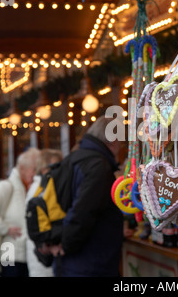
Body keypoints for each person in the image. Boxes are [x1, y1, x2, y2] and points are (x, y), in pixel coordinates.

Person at [48, 116, 124, 277]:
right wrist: (66, 245)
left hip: (72, 262)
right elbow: (83, 212)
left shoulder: (73, 158)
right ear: (113, 141)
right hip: (90, 263)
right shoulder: (98, 166)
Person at [0, 147, 40, 277]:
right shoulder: (7, 186)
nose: (36, 174)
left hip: (25, 252)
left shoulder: (28, 187)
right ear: (22, 169)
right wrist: (4, 228)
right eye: (34, 170)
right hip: (8, 248)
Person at [25, 148, 63, 277]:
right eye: (54, 166)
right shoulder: (42, 189)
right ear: (43, 168)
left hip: (43, 251)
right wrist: (48, 244)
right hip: (45, 251)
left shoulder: (41, 186)